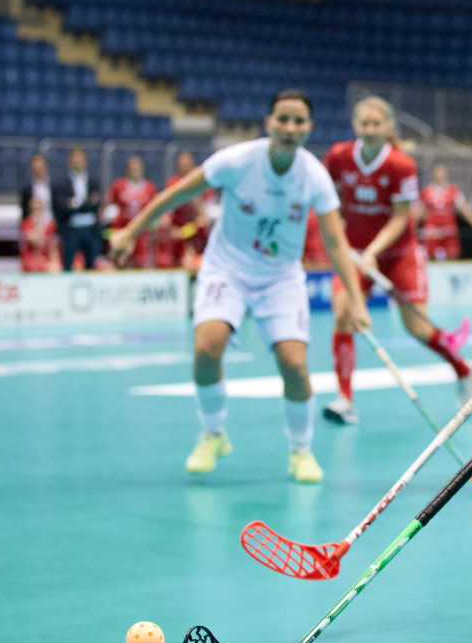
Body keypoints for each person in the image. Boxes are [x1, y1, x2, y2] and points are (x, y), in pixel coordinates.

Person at [109, 89, 371, 483]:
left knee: (294, 365)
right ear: (268, 123)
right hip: (226, 269)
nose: (290, 128)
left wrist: (356, 300)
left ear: (309, 128)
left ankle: (301, 451)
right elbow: (178, 194)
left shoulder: (314, 175)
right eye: (283, 119)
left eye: (299, 121)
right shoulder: (237, 161)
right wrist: (132, 231)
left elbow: (336, 242)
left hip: (280, 278)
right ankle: (213, 433)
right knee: (206, 347)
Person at [320, 95, 472, 426]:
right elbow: (324, 197)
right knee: (343, 313)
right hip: (354, 253)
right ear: (355, 125)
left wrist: (373, 252)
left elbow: (400, 218)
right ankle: (345, 400)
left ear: (388, 126)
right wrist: (340, 233)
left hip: (400, 253)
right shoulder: (338, 156)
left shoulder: (401, 164)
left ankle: (463, 370)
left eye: (376, 123)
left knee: (417, 328)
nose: (370, 129)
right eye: (364, 123)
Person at [416, 163, 472, 261]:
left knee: (452, 256)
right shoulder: (425, 192)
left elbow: (464, 209)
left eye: (442, 172)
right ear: (433, 174)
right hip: (432, 233)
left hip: (449, 232)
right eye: (437, 172)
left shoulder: (453, 191)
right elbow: (418, 212)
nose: (439, 175)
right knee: (430, 257)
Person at [51, 147, 104, 271]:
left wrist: (76, 205)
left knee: (92, 265)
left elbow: (96, 203)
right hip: (71, 229)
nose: (77, 162)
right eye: (74, 159)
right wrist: (84, 205)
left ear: (85, 161)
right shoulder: (61, 183)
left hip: (90, 229)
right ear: (69, 161)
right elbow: (61, 206)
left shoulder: (93, 181)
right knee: (67, 264)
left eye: (80, 159)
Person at [157, 150, 211, 271]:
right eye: (182, 164)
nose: (184, 167)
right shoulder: (172, 183)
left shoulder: (202, 184)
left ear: (192, 164)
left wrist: (189, 230)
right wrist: (171, 227)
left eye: (187, 164)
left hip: (195, 233)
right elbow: (165, 213)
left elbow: (204, 218)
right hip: (175, 232)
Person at [105, 156, 158, 268]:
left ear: (142, 169)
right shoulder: (118, 186)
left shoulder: (150, 188)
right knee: (119, 261)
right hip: (122, 229)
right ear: (127, 170)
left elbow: (155, 208)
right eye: (132, 168)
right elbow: (109, 205)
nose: (134, 171)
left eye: (137, 168)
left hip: (141, 232)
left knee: (141, 263)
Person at [19, 196, 60, 272]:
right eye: (34, 209)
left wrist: (55, 261)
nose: (36, 211)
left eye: (39, 209)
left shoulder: (50, 225)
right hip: (31, 259)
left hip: (45, 258)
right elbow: (34, 241)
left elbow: (52, 246)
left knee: (55, 267)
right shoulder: (26, 223)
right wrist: (38, 225)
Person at [19, 153, 54, 223]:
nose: (38, 170)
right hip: (34, 225)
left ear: (45, 167)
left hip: (51, 223)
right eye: (36, 167)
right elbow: (25, 210)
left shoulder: (54, 186)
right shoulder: (27, 189)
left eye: (40, 167)